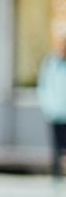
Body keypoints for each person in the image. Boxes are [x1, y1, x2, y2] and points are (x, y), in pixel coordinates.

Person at [40, 38, 66, 187]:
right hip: (55, 111)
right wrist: (47, 105)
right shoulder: (51, 64)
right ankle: (56, 178)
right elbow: (44, 85)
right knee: (56, 147)